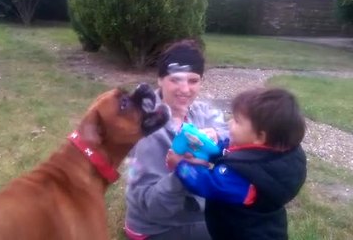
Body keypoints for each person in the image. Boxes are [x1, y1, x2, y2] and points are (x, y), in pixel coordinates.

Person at [166, 87, 307, 240]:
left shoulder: (245, 178)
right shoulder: (276, 154)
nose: (229, 123)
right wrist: (211, 148)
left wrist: (181, 165)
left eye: (237, 121)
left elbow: (207, 184)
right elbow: (237, 154)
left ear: (260, 137)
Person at [124, 39, 229, 240]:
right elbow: (152, 209)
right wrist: (183, 173)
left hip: (191, 211)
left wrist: (217, 135)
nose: (185, 89)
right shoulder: (147, 131)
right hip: (157, 227)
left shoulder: (199, 110)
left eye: (193, 80)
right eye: (175, 79)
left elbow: (229, 132)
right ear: (160, 80)